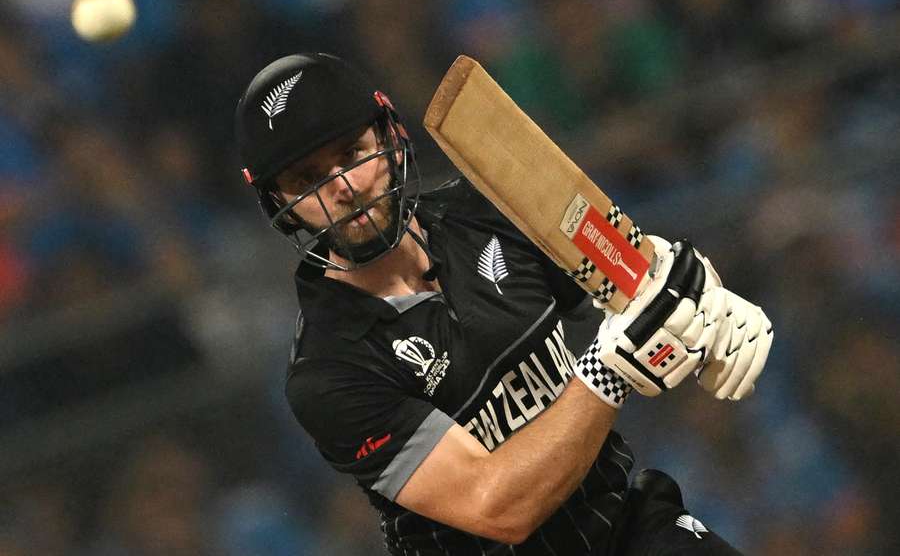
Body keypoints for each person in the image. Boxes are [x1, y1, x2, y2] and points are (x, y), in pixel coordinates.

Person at [234, 53, 773, 555]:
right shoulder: (327, 372)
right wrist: (609, 372)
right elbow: (497, 507)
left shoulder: (489, 205)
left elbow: (629, 267)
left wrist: (703, 295)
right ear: (278, 202)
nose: (345, 188)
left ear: (391, 136)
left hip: (622, 529)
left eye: (352, 154)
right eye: (308, 180)